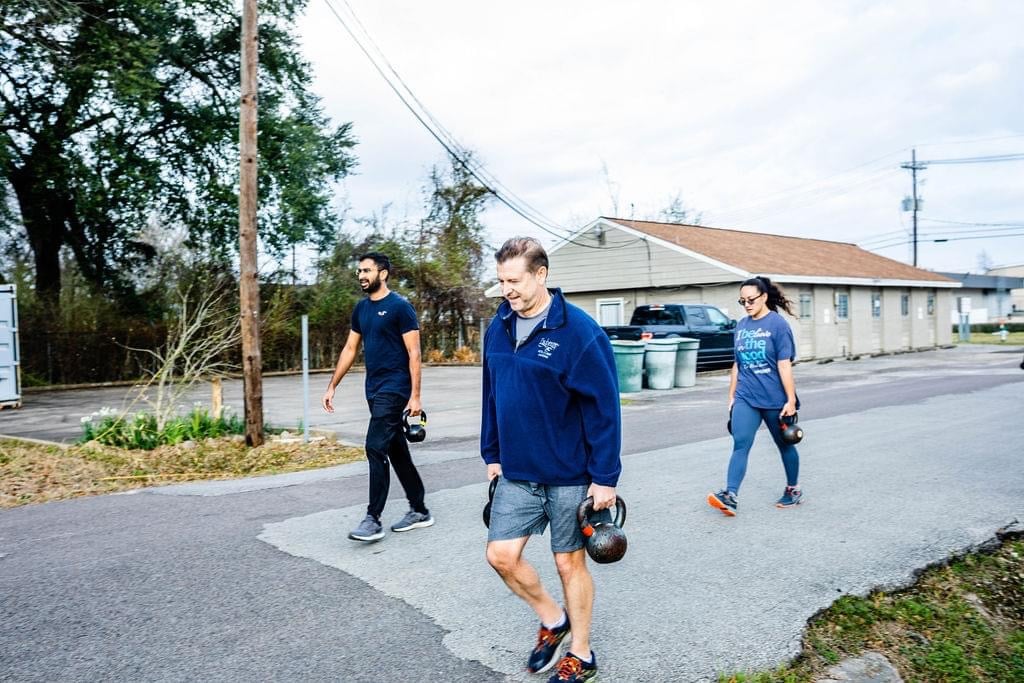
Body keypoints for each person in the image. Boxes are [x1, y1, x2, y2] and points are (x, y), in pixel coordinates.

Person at [481, 237, 622, 683]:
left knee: (568, 562)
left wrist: (604, 477)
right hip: (518, 471)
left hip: (569, 473)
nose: (508, 290)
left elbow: (604, 408)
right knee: (500, 556)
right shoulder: (498, 327)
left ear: (541, 275)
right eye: (502, 281)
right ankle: (552, 618)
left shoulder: (579, 332)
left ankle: (581, 653)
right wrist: (492, 452)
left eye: (515, 280)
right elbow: (492, 394)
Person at [321, 252, 433, 542]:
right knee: (396, 449)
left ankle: (373, 519)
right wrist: (333, 385)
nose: (361, 275)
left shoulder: (400, 307)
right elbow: (349, 349)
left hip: (395, 388)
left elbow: (414, 353)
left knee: (374, 447)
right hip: (373, 388)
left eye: (367, 270)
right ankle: (419, 509)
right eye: (359, 270)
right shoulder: (361, 309)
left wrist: (416, 397)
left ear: (383, 274)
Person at [707, 276, 802, 516]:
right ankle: (730, 495)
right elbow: (737, 364)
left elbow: (784, 365)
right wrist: (731, 396)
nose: (747, 305)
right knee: (740, 443)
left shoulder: (778, 325)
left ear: (764, 297)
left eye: (751, 300)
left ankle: (793, 489)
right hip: (746, 396)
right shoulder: (742, 326)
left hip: (774, 399)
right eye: (742, 301)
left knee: (784, 445)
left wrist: (790, 399)